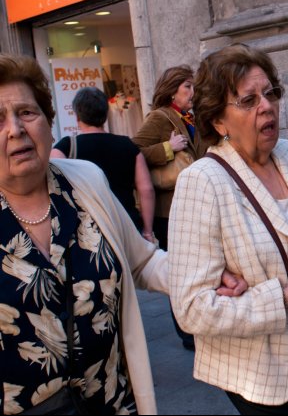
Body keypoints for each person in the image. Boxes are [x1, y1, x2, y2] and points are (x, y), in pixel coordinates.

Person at [168, 44, 288, 415]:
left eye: (270, 93)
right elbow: (191, 310)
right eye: (248, 100)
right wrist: (287, 296)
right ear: (218, 122)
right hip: (259, 372)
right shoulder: (203, 183)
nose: (266, 105)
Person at [0, 53, 169, 414]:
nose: (15, 129)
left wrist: (209, 273)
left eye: (27, 113)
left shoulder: (85, 181)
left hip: (113, 404)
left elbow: (144, 261)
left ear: (49, 120)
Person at [132, 65, 206, 350]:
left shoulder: (188, 117)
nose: (192, 92)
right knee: (179, 271)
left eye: (193, 86)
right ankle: (187, 333)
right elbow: (133, 149)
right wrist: (167, 148)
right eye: (187, 86)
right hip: (169, 210)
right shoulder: (160, 117)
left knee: (196, 268)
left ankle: (196, 324)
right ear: (172, 88)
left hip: (189, 204)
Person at [51, 87, 156, 243]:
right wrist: (147, 231)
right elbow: (146, 190)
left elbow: (52, 190)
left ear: (77, 116)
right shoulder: (127, 145)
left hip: (88, 234)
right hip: (128, 226)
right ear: (106, 114)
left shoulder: (66, 148)